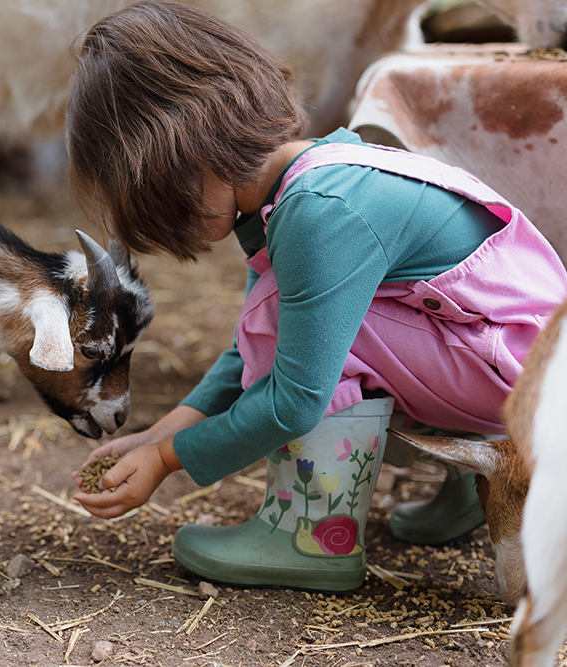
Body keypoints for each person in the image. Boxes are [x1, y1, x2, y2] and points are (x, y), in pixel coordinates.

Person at [65, 0, 567, 592]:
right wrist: (160, 432)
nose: (170, 223)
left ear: (187, 148)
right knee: (301, 321)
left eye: (162, 198)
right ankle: (473, 485)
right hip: (505, 358)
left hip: (525, 382)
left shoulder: (318, 213)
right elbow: (247, 347)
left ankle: (308, 531)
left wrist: (169, 460)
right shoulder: (298, 183)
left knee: (310, 337)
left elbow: (295, 397)